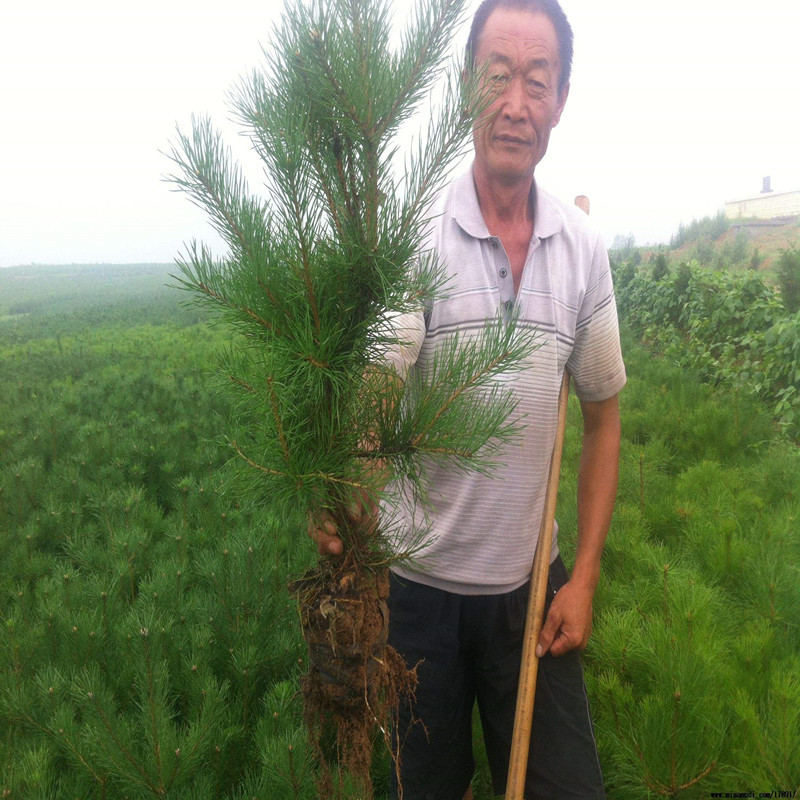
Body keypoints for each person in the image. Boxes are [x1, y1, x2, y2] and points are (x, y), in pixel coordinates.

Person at [310, 0, 626, 797]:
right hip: (418, 600)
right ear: (464, 90)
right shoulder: (417, 237)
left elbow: (602, 417)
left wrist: (581, 578)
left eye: (536, 80)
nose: (515, 104)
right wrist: (345, 497)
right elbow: (374, 394)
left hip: (533, 594)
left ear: (559, 100)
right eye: (497, 77)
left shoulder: (582, 250)